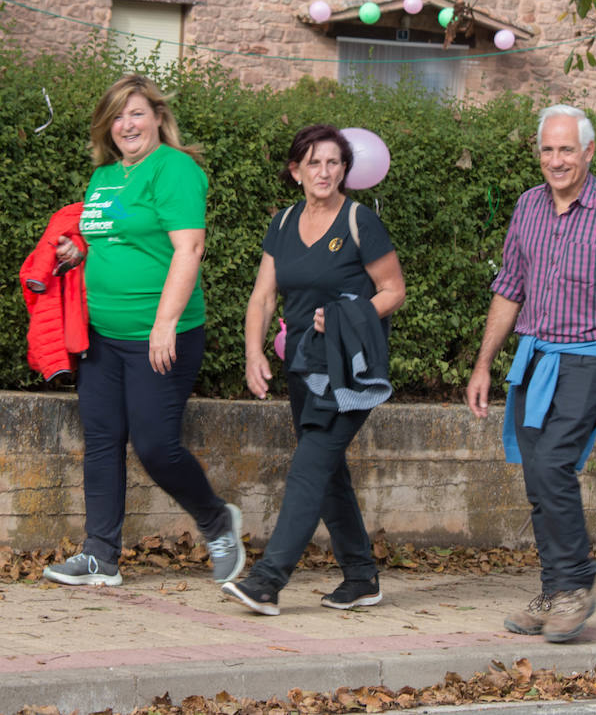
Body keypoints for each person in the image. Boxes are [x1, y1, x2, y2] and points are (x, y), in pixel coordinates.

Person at [466, 104, 596, 643]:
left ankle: (573, 587)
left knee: (554, 464)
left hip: (591, 354)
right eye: (547, 149)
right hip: (536, 354)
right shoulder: (528, 207)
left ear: (588, 152)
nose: (556, 160)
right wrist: (483, 363)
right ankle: (557, 585)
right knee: (536, 471)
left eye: (567, 149)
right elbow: (509, 288)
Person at [42, 74, 245, 588]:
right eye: (117, 116)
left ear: (157, 116)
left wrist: (165, 323)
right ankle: (99, 555)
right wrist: (77, 252)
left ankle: (216, 519)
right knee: (103, 440)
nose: (126, 124)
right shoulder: (104, 178)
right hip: (100, 336)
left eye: (136, 113)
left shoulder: (175, 169)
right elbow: (109, 239)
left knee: (155, 446)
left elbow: (188, 249)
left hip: (161, 333)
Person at [223, 124, 405, 616]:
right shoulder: (283, 223)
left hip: (350, 367)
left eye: (333, 162)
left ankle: (267, 580)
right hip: (302, 365)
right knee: (327, 473)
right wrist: (253, 352)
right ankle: (362, 577)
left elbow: (393, 290)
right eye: (313, 162)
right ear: (296, 170)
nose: (324, 171)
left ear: (345, 169)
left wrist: (350, 313)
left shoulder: (358, 221)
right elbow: (263, 295)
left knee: (308, 466)